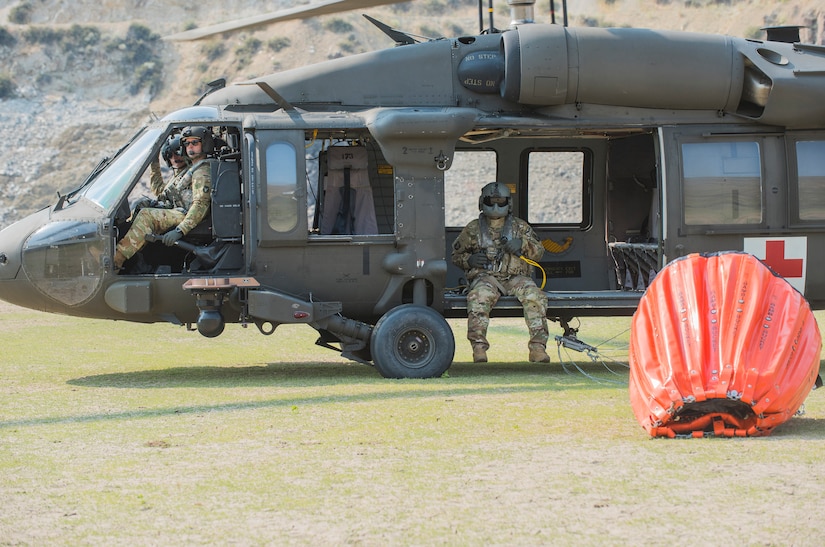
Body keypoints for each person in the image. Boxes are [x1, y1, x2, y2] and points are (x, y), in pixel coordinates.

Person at [451, 182, 550, 363]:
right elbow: (456, 255)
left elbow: (539, 252)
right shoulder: (473, 229)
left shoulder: (520, 227)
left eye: (501, 202)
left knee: (535, 296)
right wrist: (469, 260)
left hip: (516, 278)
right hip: (486, 278)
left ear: (509, 204)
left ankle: (537, 348)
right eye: (491, 201)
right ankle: (479, 348)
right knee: (478, 298)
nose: (496, 206)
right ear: (482, 202)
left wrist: (523, 244)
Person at [113, 126, 213, 270]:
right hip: (181, 211)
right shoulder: (192, 169)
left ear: (205, 144)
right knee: (143, 205)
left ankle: (117, 260)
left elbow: (200, 205)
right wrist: (154, 163)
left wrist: (179, 231)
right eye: (187, 143)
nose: (190, 147)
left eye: (195, 143)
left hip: (186, 215)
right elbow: (162, 192)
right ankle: (133, 251)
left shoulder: (202, 171)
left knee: (147, 215)